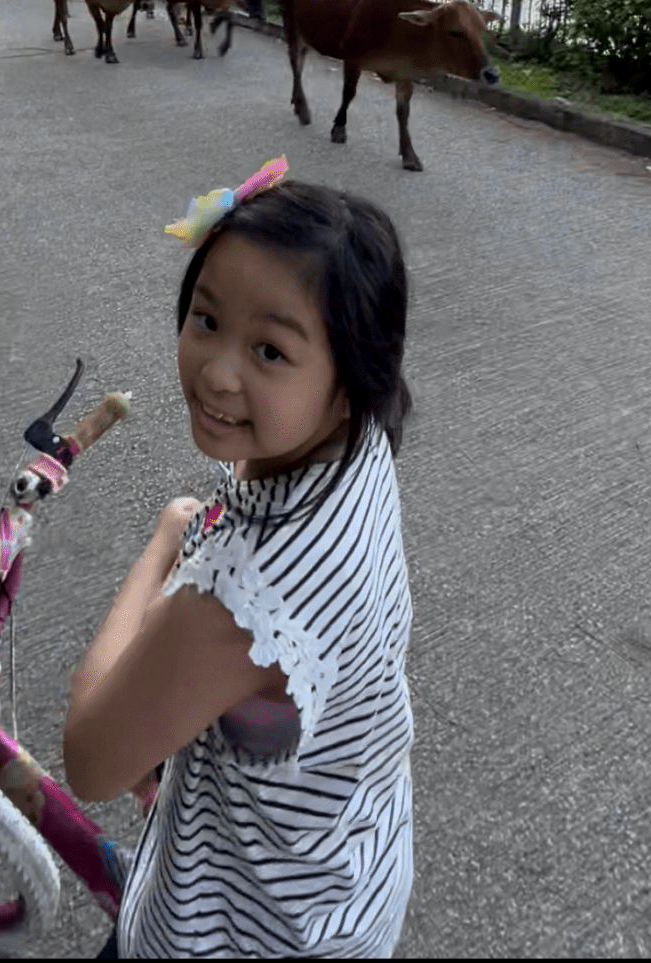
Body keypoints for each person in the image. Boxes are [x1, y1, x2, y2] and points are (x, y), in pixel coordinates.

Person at [63, 159, 414, 959]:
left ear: (352, 376)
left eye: (270, 351)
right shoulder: (357, 452)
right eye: (207, 319)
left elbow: (92, 757)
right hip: (347, 874)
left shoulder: (240, 601)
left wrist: (162, 546)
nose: (217, 371)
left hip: (232, 932)